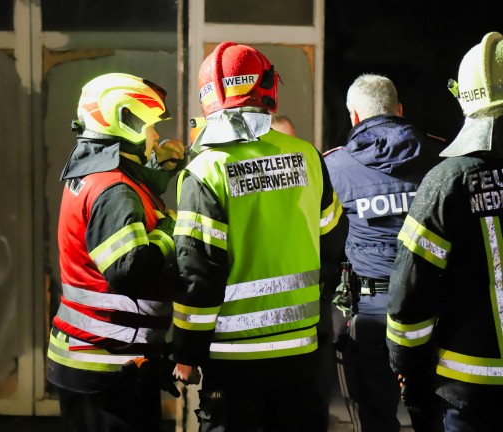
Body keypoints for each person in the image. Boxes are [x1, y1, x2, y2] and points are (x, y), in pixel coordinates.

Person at [170, 41, 348, 431]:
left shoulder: (205, 172)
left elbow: (198, 274)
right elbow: (333, 240)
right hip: (301, 351)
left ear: (208, 99)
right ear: (268, 89)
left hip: (233, 362)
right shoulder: (307, 156)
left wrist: (186, 351)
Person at [46, 72, 186, 432]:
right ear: (125, 122)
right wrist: (172, 229)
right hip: (106, 366)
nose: (156, 135)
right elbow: (130, 270)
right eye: (151, 126)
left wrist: (156, 172)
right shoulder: (114, 189)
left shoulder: (94, 169)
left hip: (94, 359)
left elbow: (121, 201)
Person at [387, 31, 503, 431]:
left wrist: (409, 373)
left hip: (468, 393)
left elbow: (410, 295)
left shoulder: (447, 182)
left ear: (464, 96)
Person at [324, 73, 445, 432]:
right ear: (400, 110)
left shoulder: (333, 167)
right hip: (434, 309)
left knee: (376, 416)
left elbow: (324, 239)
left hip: (370, 313)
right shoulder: (441, 155)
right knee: (436, 411)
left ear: (354, 117)